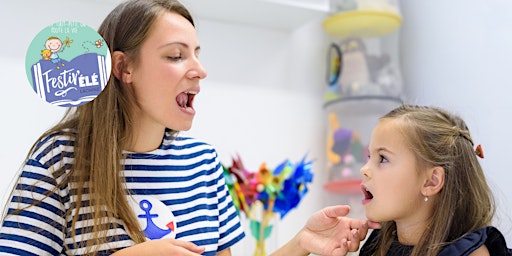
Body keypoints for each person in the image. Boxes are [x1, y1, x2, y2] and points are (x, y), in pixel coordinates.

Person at [0, 0, 375, 255]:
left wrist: (302, 243)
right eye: (176, 56)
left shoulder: (203, 162)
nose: (199, 69)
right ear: (123, 68)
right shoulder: (59, 159)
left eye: (197, 54)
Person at [358, 104, 512, 256]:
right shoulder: (379, 244)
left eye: (383, 159)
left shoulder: (469, 253)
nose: (364, 169)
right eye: (369, 157)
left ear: (431, 181)